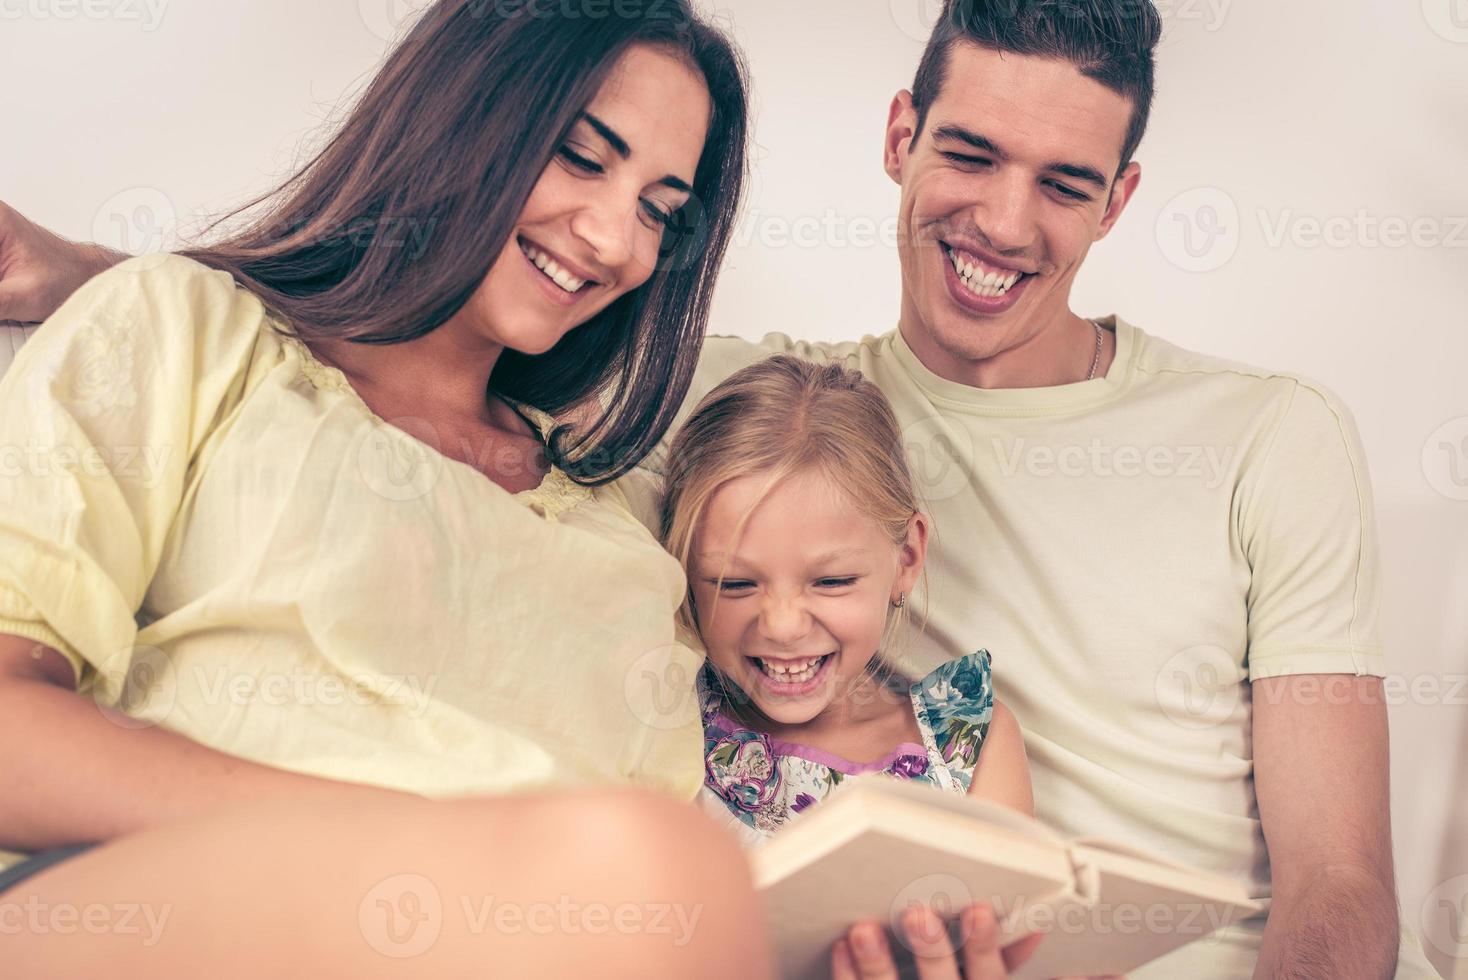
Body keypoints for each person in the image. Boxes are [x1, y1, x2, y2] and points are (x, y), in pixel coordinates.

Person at [2, 1, 1440, 977]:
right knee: (651, 863)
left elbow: (1339, 886)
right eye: (583, 158)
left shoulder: (624, 488)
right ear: (898, 141)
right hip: (235, 906)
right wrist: (95, 278)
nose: (613, 238)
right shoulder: (201, 342)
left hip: (621, 934)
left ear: (1121, 201)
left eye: (663, 212)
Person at [658, 354, 1034, 850]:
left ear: (906, 558)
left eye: (831, 581)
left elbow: (1005, 916)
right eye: (734, 583)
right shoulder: (671, 721)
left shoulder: (966, 746)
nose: (783, 626)